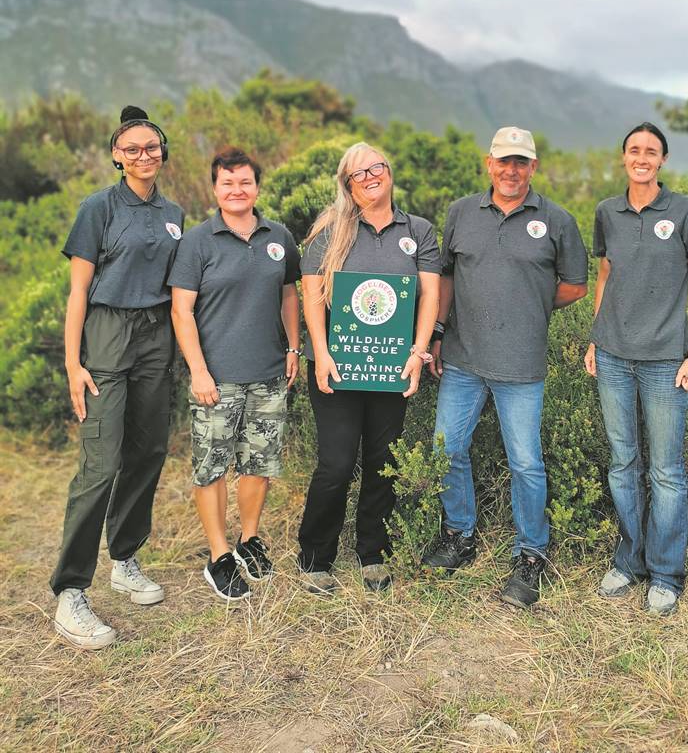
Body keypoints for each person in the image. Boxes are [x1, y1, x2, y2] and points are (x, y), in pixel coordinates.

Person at [425, 126, 588, 608]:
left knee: (526, 463)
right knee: (446, 448)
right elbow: (447, 275)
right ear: (488, 164)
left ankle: (532, 555)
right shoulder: (461, 213)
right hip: (462, 359)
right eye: (504, 161)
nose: (511, 170)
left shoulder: (557, 220)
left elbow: (575, 285)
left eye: (521, 162)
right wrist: (436, 332)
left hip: (521, 364)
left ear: (533, 167)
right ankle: (460, 535)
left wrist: (528, 306)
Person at [51, 106, 185, 649]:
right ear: (116, 155)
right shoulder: (97, 208)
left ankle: (125, 558)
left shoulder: (175, 211)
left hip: (158, 337)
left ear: (162, 152)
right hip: (107, 333)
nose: (142, 155)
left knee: (149, 450)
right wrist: (72, 362)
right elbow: (79, 291)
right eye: (131, 149)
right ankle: (69, 592)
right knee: (100, 463)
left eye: (150, 147)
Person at [297, 142, 440, 592]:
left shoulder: (418, 231)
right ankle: (315, 556)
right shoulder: (329, 231)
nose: (370, 176)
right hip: (338, 367)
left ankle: (372, 553)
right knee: (336, 465)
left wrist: (418, 353)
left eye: (376, 167)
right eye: (358, 173)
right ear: (347, 184)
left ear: (389, 171)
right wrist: (320, 352)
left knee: (382, 462)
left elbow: (430, 296)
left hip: (391, 370)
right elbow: (312, 296)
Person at [584, 122, 688, 616]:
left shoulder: (685, 211)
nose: (642, 157)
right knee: (622, 464)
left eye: (651, 151)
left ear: (662, 160)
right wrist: (595, 340)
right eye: (634, 150)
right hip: (613, 356)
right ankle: (628, 562)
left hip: (665, 361)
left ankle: (665, 574)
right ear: (624, 158)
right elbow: (605, 276)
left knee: (665, 471)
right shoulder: (606, 213)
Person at [170, 148, 301, 601]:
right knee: (211, 470)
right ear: (215, 189)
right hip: (217, 380)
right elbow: (181, 311)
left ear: (257, 187)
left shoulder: (279, 236)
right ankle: (219, 555)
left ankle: (249, 540)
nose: (237, 190)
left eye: (245, 182)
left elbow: (289, 295)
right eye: (228, 183)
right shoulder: (197, 242)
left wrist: (293, 346)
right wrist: (199, 371)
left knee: (259, 466)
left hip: (267, 375)